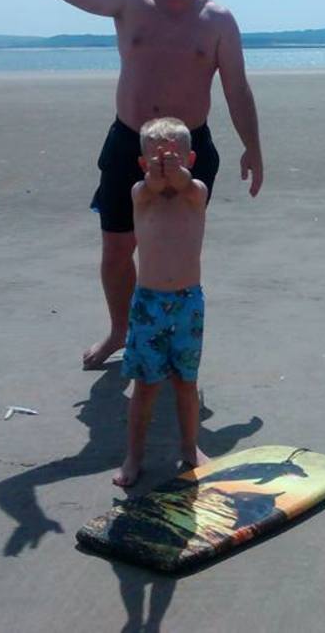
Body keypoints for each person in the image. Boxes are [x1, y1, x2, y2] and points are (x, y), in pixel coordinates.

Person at [51, 0, 263, 370]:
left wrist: (253, 147)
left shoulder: (218, 20)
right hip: (130, 142)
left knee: (174, 252)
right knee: (117, 249)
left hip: (191, 149)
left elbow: (237, 88)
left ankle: (173, 342)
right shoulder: (129, 2)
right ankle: (121, 332)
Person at [112, 117, 209, 486]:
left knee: (187, 381)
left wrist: (178, 174)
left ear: (191, 160)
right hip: (149, 304)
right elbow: (151, 186)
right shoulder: (142, 193)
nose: (166, 167)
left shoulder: (195, 192)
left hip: (188, 304)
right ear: (142, 164)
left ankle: (190, 447)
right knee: (146, 386)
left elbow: (187, 184)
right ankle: (134, 456)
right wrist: (157, 174)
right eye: (155, 159)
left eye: (175, 159)